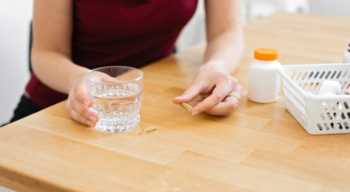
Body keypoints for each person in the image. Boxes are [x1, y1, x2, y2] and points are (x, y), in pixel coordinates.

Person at [11, 0, 244, 127]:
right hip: (60, 110)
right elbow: (47, 54)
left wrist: (216, 67)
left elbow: (226, 31)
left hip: (150, 106)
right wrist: (80, 80)